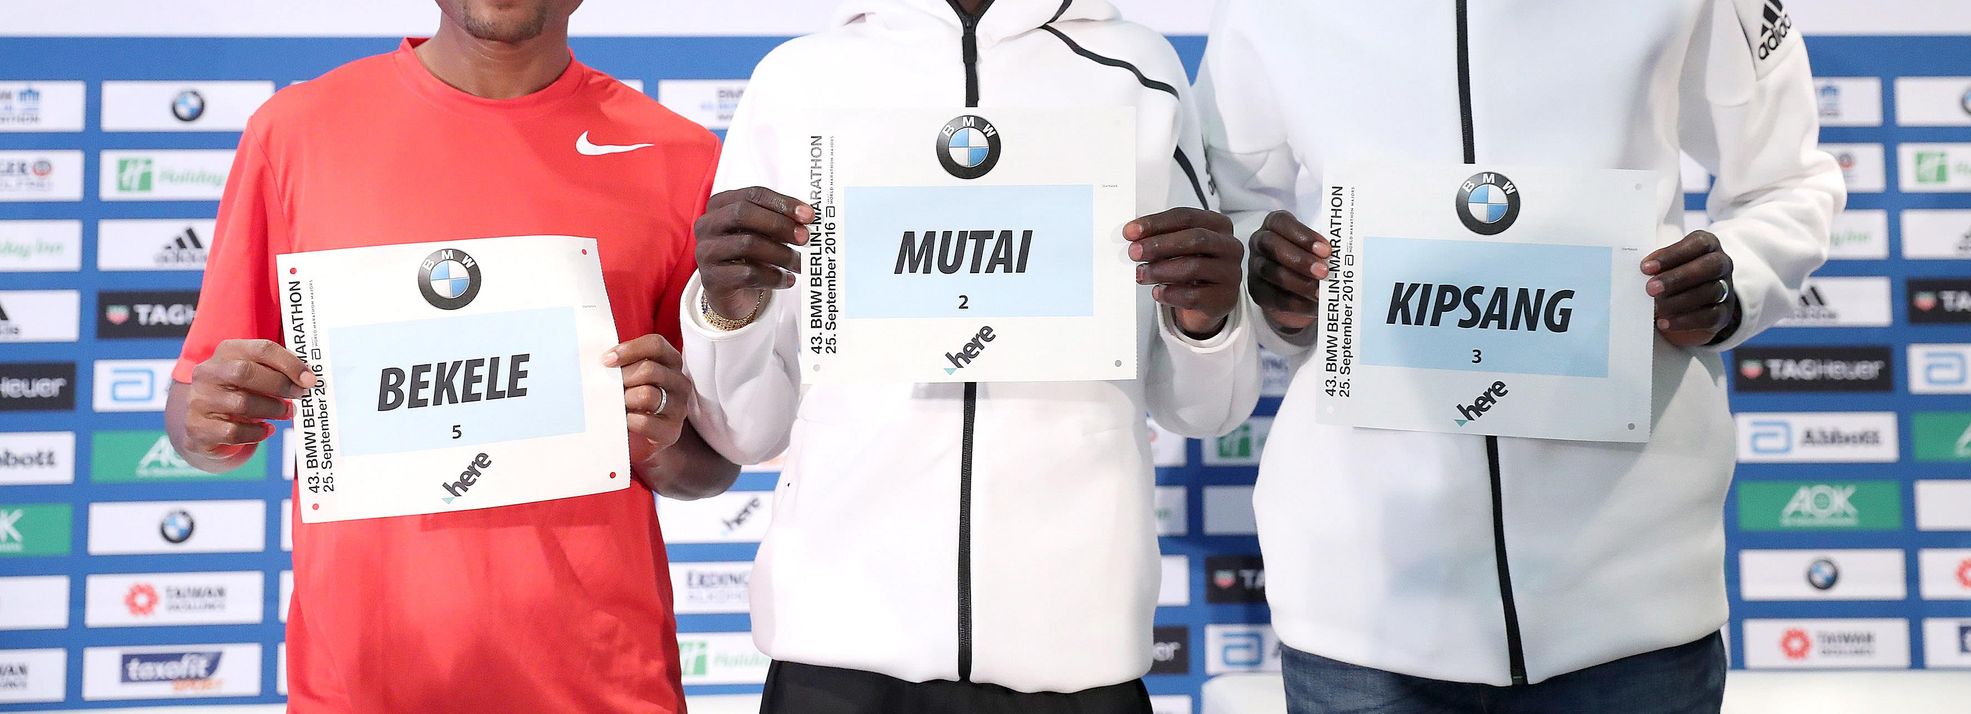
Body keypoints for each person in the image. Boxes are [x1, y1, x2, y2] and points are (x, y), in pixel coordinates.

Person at [1194, 0, 1844, 711]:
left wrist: (1734, 279)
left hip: (1632, 588)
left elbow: (1786, 182)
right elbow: (1227, 212)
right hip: (1363, 597)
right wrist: (1269, 277)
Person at [679, 0, 1259, 711]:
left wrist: (1207, 322)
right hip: (836, 642)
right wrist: (729, 311)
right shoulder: (800, 79)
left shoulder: (1138, 70)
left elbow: (1205, 410)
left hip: (1075, 643)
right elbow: (747, 431)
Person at [164, 1, 738, 710]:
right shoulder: (294, 133)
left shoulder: (678, 155)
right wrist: (210, 416)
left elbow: (711, 465)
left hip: (603, 683)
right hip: (362, 686)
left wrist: (661, 437)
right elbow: (197, 419)